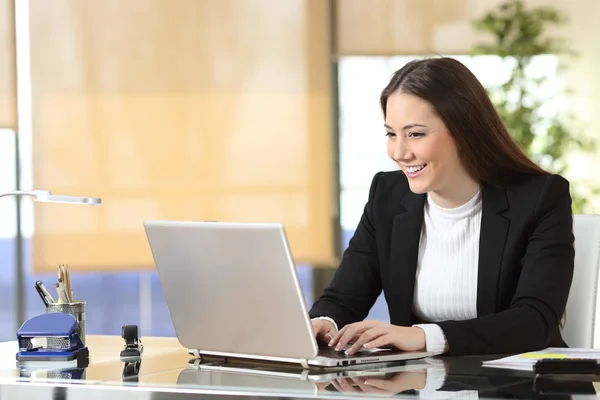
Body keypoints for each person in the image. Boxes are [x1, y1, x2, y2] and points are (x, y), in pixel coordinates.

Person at [309, 57, 575, 356]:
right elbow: (345, 297)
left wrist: (423, 337)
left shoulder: (540, 197)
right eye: (391, 134)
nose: (399, 152)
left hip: (516, 387)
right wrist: (324, 321)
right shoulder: (387, 195)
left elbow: (534, 322)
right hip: (421, 384)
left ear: (464, 131)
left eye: (415, 134)